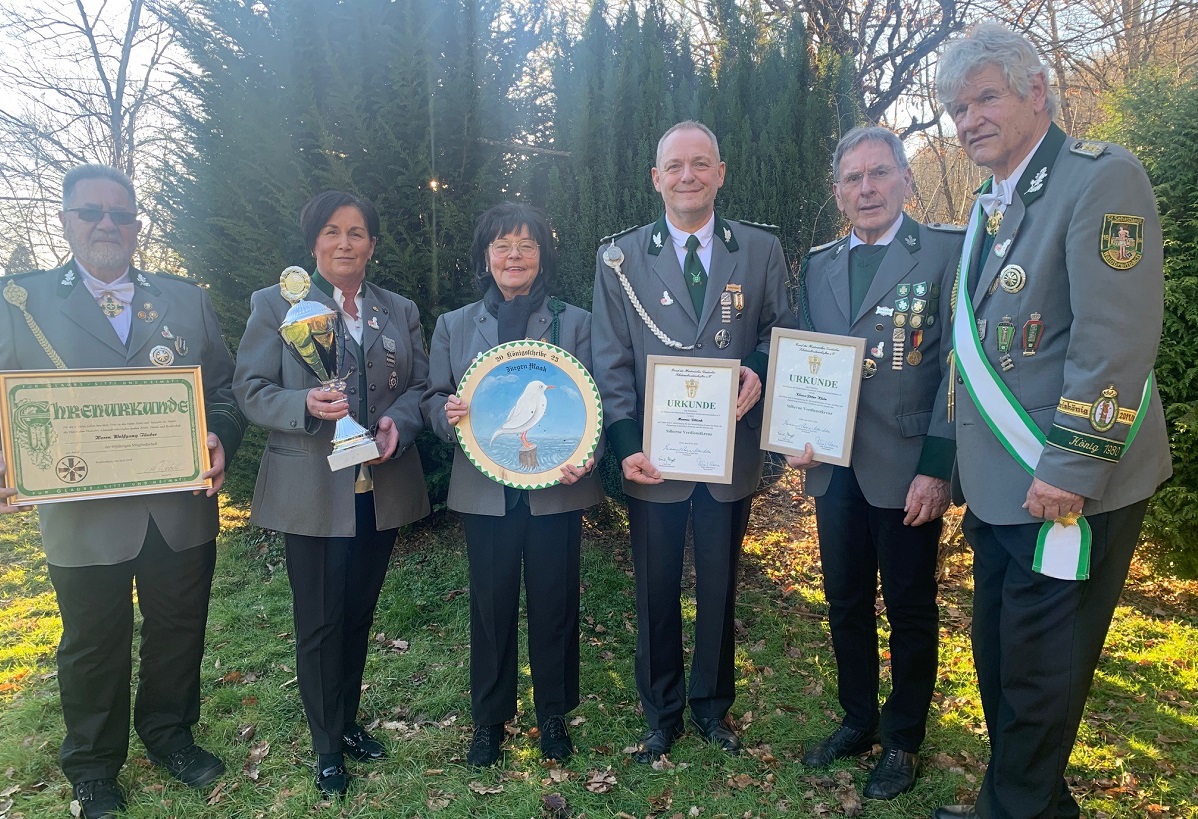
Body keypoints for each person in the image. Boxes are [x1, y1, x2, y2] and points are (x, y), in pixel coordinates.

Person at [931, 23, 1171, 819]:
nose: (969, 120)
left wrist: (1068, 468)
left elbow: (1113, 342)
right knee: (1004, 662)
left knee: (1040, 673)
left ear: (1037, 91)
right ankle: (1023, 800)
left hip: (1066, 484)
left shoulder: (1099, 179)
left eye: (985, 97)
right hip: (1002, 488)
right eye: (959, 108)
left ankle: (1016, 807)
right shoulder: (991, 205)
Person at [0, 164, 246, 819]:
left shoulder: (184, 299)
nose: (107, 224)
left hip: (178, 509)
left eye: (121, 213)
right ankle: (92, 767)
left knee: (178, 630)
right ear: (65, 220)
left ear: (137, 225)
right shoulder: (19, 301)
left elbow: (222, 388)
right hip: (82, 515)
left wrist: (221, 434)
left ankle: (169, 735)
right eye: (91, 212)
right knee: (91, 642)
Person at [590, 121, 790, 762]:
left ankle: (711, 706)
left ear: (721, 172)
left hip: (729, 453)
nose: (687, 176)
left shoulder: (759, 251)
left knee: (720, 583)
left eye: (700, 164)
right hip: (657, 455)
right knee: (654, 585)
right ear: (656, 178)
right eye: (675, 166)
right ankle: (661, 709)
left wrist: (759, 366)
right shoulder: (619, 258)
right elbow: (611, 359)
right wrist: (624, 445)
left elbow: (778, 329)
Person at [233, 190, 430, 797]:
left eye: (357, 233)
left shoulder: (397, 309)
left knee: (359, 613)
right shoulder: (277, 305)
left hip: (380, 483)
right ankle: (325, 746)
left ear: (372, 243)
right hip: (312, 488)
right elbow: (250, 387)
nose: (345, 243)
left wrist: (403, 419)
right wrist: (303, 403)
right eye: (331, 232)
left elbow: (421, 384)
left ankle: (346, 723)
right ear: (314, 241)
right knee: (318, 620)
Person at [787, 126, 960, 799]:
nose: (867, 188)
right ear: (838, 192)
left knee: (911, 605)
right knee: (845, 600)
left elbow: (958, 367)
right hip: (834, 465)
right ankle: (857, 717)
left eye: (879, 174)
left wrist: (938, 463)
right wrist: (797, 434)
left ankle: (905, 736)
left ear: (905, 180)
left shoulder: (943, 252)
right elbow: (807, 357)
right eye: (854, 179)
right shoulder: (819, 263)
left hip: (908, 463)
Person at [421, 202, 602, 766]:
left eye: (526, 244)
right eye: (503, 245)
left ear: (541, 255)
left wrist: (591, 452)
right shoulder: (454, 325)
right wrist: (444, 414)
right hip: (485, 491)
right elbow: (430, 399)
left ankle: (553, 716)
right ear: (486, 257)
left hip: (558, 490)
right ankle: (489, 719)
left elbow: (595, 399)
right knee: (490, 606)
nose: (514, 255)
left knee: (555, 603)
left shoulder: (576, 322)